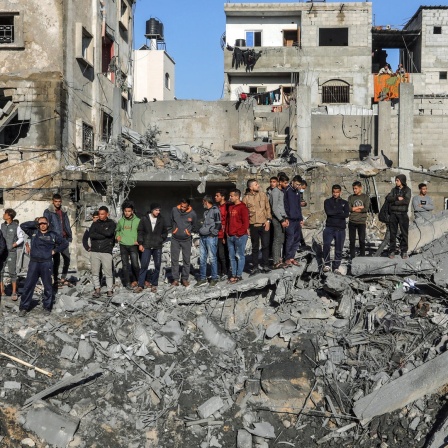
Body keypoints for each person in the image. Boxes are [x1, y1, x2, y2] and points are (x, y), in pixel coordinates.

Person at [18, 217, 68, 316]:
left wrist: (55, 250)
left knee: (48, 286)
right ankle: (24, 307)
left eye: (45, 223)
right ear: (38, 224)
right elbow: (23, 225)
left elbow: (64, 243)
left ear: (48, 224)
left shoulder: (53, 235)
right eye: (41, 223)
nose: (43, 225)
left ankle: (47, 307)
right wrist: (36, 222)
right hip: (34, 263)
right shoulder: (33, 232)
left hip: (46, 263)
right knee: (28, 286)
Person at [134, 203, 168, 293]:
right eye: (156, 210)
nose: (158, 212)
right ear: (152, 210)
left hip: (157, 245)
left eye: (159, 210)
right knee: (144, 265)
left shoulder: (161, 219)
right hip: (147, 245)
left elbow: (165, 231)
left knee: (157, 265)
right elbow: (140, 231)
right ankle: (140, 285)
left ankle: (154, 284)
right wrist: (140, 243)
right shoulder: (145, 218)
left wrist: (161, 238)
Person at [242, 179, 272, 275]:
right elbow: (244, 214)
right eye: (256, 184)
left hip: (264, 224)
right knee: (255, 247)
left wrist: (268, 220)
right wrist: (246, 227)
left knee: (265, 245)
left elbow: (268, 208)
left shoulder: (263, 195)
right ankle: (255, 267)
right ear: (251, 187)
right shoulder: (246, 198)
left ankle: (265, 265)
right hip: (253, 225)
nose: (258, 185)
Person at [43, 193, 72, 287]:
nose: (58, 203)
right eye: (56, 201)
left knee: (67, 258)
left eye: (59, 201)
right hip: (54, 239)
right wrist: (49, 238)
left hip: (64, 239)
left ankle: (63, 278)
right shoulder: (48, 212)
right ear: (53, 201)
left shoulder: (63, 211)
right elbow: (46, 224)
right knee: (56, 260)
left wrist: (69, 235)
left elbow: (66, 224)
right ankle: (55, 279)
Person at [89, 206, 116, 298]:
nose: (100, 216)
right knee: (95, 272)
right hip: (95, 251)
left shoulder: (112, 223)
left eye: (102, 214)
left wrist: (99, 231)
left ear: (107, 214)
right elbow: (91, 234)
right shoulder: (94, 224)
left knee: (108, 272)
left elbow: (109, 234)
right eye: (99, 214)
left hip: (106, 251)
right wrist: (103, 233)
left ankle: (109, 290)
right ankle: (97, 289)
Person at [170, 198, 198, 287]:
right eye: (181, 206)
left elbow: (194, 225)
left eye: (184, 207)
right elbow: (171, 221)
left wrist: (188, 232)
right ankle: (175, 279)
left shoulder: (192, 214)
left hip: (186, 240)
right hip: (175, 239)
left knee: (186, 260)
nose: (182, 208)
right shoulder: (174, 210)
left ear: (188, 206)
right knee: (174, 260)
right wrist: (175, 230)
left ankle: (184, 279)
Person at [196, 195, 222, 288]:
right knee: (202, 258)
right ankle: (203, 279)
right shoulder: (206, 212)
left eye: (203, 202)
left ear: (206, 201)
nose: (203, 204)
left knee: (212, 258)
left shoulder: (215, 210)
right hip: (203, 237)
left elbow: (219, 224)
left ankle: (214, 278)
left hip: (210, 237)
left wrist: (212, 234)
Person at [323, 185, 350, 274]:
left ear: (340, 192)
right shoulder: (327, 201)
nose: (335, 194)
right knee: (326, 245)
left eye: (337, 192)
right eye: (334, 192)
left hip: (340, 229)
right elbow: (328, 212)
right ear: (332, 192)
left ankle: (336, 267)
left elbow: (346, 214)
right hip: (329, 227)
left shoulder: (345, 203)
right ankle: (327, 264)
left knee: (339, 248)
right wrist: (340, 212)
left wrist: (335, 213)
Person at [116, 201, 140, 290]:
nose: (127, 213)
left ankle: (138, 280)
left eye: (129, 211)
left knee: (135, 264)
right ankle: (127, 283)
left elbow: (141, 232)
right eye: (125, 211)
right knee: (125, 265)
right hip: (123, 245)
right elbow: (117, 230)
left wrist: (139, 240)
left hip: (133, 245)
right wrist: (117, 236)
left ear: (132, 211)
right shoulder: (121, 221)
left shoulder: (138, 221)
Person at [227, 189, 249, 284]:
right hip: (230, 236)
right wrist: (227, 232)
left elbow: (246, 223)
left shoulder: (243, 208)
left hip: (240, 236)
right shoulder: (230, 207)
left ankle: (239, 275)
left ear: (237, 196)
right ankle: (233, 274)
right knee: (232, 257)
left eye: (231, 196)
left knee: (240, 256)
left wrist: (239, 233)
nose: (230, 197)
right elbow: (228, 221)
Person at [0, 209, 24, 301]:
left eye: (5, 213)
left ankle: (14, 292)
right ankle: (2, 291)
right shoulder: (2, 225)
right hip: (2, 253)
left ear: (9, 216)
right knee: (0, 272)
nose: (3, 215)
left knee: (12, 272)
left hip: (11, 252)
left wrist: (14, 244)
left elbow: (21, 238)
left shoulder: (16, 226)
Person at [387, 174, 411, 259]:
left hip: (403, 214)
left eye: (397, 180)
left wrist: (395, 202)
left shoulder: (407, 190)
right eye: (396, 180)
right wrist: (397, 198)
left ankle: (404, 251)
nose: (396, 182)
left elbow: (406, 201)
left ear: (402, 181)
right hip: (393, 214)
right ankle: (392, 250)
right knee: (392, 233)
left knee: (404, 233)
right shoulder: (394, 190)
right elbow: (389, 199)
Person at [269, 174, 289, 268]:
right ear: (280, 182)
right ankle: (276, 261)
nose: (287, 184)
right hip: (277, 219)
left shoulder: (281, 192)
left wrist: (286, 218)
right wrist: (281, 220)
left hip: (282, 218)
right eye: (285, 182)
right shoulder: (275, 192)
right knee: (277, 240)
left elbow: (282, 207)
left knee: (281, 239)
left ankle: (279, 259)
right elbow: (274, 208)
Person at [283, 175, 303, 266]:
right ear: (293, 182)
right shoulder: (287, 190)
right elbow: (285, 205)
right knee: (290, 238)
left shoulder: (297, 192)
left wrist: (301, 218)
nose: (298, 186)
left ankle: (292, 257)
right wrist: (285, 217)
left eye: (299, 185)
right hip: (289, 219)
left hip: (297, 219)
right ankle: (286, 258)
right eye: (297, 184)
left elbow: (298, 206)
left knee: (297, 239)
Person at [347, 181, 371, 259]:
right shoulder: (351, 197)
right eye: (353, 189)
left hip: (361, 222)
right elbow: (349, 208)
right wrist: (359, 207)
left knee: (362, 240)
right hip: (352, 221)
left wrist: (354, 209)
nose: (354, 190)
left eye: (356, 188)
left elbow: (366, 209)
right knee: (352, 240)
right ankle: (352, 257)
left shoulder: (365, 197)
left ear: (360, 188)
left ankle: (362, 256)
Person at [214, 190, 229, 281]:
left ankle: (225, 272)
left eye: (217, 195)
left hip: (224, 234)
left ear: (222, 197)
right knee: (217, 254)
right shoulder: (216, 207)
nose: (215, 197)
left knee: (223, 254)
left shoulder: (227, 207)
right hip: (217, 234)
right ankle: (219, 272)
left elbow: (226, 221)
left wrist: (224, 235)